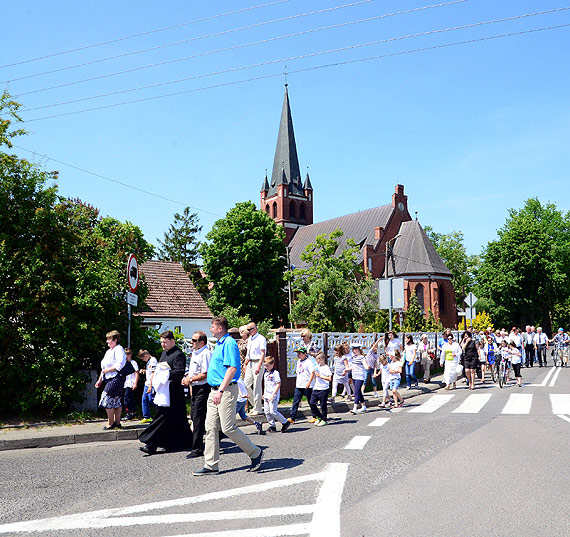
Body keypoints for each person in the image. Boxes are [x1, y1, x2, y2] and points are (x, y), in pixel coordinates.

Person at [193, 316, 263, 476]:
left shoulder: (229, 343)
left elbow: (232, 369)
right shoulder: (218, 345)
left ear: (219, 329)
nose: (210, 329)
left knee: (228, 427)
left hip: (225, 391)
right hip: (214, 390)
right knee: (210, 427)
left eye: (212, 326)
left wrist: (221, 390)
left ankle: (255, 453)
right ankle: (211, 465)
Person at [139, 330, 192, 455]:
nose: (162, 344)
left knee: (162, 419)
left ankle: (151, 444)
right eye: (161, 342)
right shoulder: (164, 354)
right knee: (178, 421)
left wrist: (164, 374)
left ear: (172, 341)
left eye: (165, 342)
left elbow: (179, 373)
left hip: (173, 394)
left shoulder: (178, 355)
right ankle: (186, 442)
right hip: (164, 392)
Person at [182, 331, 212, 459]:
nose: (191, 343)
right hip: (195, 387)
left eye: (194, 341)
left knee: (198, 417)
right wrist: (188, 380)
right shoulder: (195, 353)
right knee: (195, 416)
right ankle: (217, 435)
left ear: (202, 342)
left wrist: (191, 379)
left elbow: (205, 374)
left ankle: (198, 448)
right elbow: (193, 371)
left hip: (203, 388)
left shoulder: (205, 353)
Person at [95, 330, 127, 430]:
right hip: (108, 378)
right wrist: (100, 379)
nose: (107, 342)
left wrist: (108, 370)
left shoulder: (118, 349)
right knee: (115, 400)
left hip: (117, 378)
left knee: (106, 399)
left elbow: (120, 364)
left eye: (109, 340)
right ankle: (117, 423)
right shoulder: (109, 351)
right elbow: (103, 368)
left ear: (115, 340)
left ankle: (111, 422)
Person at [287, 345, 316, 424]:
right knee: (295, 401)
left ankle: (315, 416)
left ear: (304, 354)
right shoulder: (299, 361)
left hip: (307, 385)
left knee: (310, 401)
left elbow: (312, 372)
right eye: (297, 353)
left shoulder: (308, 362)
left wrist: (309, 382)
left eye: (300, 353)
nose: (298, 355)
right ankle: (292, 417)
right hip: (299, 384)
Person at [262, 356, 291, 433]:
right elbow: (266, 385)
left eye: (267, 366)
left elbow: (278, 384)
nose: (266, 367)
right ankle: (272, 425)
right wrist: (264, 394)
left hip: (273, 395)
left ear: (272, 365)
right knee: (267, 411)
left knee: (273, 411)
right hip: (267, 395)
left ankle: (285, 422)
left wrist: (272, 395)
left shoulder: (275, 373)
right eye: (265, 365)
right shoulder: (266, 373)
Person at [244, 322, 266, 416]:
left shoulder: (261, 338)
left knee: (257, 386)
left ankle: (258, 408)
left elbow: (263, 353)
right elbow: (248, 353)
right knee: (245, 385)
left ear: (255, 329)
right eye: (247, 330)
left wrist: (259, 365)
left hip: (258, 362)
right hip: (250, 362)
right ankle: (256, 405)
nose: (248, 332)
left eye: (249, 330)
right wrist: (245, 363)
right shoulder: (250, 339)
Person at [308, 353, 332, 426]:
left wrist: (321, 376)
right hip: (316, 388)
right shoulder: (317, 367)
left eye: (317, 359)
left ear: (321, 359)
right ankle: (319, 417)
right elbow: (314, 374)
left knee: (322, 405)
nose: (316, 361)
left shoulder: (326, 367)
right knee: (312, 403)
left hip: (324, 388)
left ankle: (324, 419)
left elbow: (329, 378)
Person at [349, 343, 370, 414]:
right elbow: (353, 366)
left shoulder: (362, 357)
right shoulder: (354, 357)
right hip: (354, 376)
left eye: (354, 349)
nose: (353, 351)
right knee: (358, 392)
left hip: (360, 377)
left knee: (356, 392)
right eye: (353, 349)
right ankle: (364, 406)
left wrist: (367, 367)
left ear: (358, 349)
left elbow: (365, 365)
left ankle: (355, 408)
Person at [139, 349, 158, 424]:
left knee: (151, 399)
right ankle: (146, 416)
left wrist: (150, 385)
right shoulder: (148, 362)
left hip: (151, 384)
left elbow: (154, 373)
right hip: (147, 383)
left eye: (143, 358)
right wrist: (145, 371)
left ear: (146, 355)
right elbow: (150, 371)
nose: (143, 360)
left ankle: (160, 412)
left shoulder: (153, 361)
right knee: (144, 399)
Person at [122, 348, 139, 420]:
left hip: (130, 383)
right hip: (125, 383)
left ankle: (131, 412)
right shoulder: (124, 363)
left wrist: (135, 383)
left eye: (128, 354)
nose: (126, 356)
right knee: (126, 398)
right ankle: (129, 412)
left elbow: (136, 373)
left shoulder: (133, 363)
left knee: (128, 398)